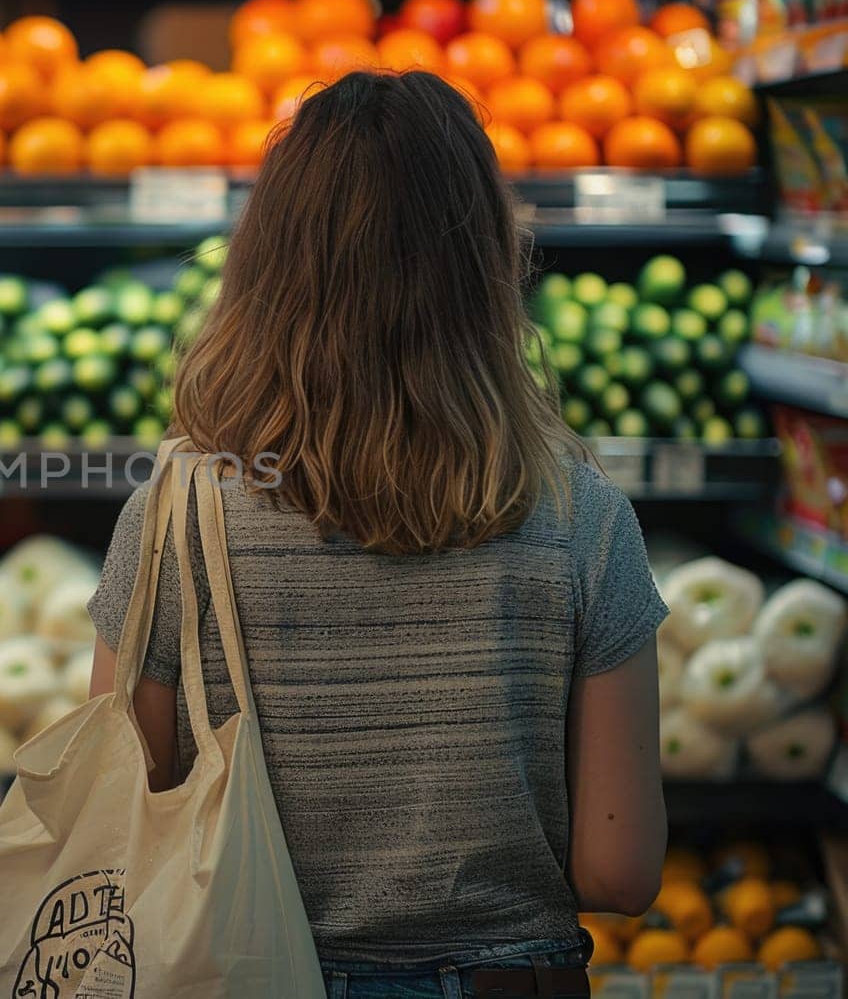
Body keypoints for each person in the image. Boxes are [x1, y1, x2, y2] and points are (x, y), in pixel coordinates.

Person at [86, 70, 666, 999]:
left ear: (265, 262)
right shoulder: (582, 519)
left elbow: (120, 817)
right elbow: (620, 871)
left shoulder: (175, 517)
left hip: (237, 973)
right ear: (485, 261)